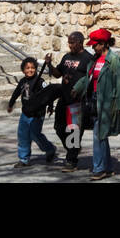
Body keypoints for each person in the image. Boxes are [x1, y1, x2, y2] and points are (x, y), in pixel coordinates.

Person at [71, 28, 120, 180]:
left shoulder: (114, 61)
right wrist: (78, 87)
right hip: (94, 100)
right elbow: (88, 77)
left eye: (95, 44)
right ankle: (107, 167)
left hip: (107, 102)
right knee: (101, 135)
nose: (92, 47)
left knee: (99, 135)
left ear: (103, 44)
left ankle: (99, 169)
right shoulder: (94, 59)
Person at [43, 31, 93, 171]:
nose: (70, 45)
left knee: (74, 131)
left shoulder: (88, 59)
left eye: (72, 42)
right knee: (59, 127)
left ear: (80, 42)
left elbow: (90, 80)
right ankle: (73, 149)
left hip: (77, 102)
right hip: (64, 99)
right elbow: (58, 73)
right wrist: (49, 65)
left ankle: (71, 160)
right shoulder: (66, 57)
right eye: (69, 42)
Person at [7, 57, 59, 168]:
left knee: (35, 134)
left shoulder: (40, 81)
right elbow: (16, 93)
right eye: (27, 68)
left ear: (36, 69)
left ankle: (49, 149)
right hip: (25, 112)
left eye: (32, 68)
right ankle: (24, 159)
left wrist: (50, 106)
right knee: (23, 135)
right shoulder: (22, 81)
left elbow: (48, 94)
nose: (30, 70)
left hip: (37, 114)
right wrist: (10, 104)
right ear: (23, 70)